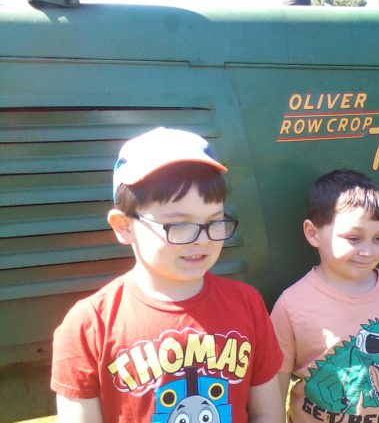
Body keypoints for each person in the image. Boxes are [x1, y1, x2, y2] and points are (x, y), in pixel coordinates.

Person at [51, 127, 284, 422]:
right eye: (179, 225)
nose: (202, 239)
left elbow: (267, 414)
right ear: (124, 226)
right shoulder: (88, 325)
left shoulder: (247, 304)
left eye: (214, 221)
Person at [271, 169, 379, 423]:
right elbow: (275, 386)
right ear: (313, 233)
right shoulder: (291, 305)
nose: (368, 251)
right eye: (354, 238)